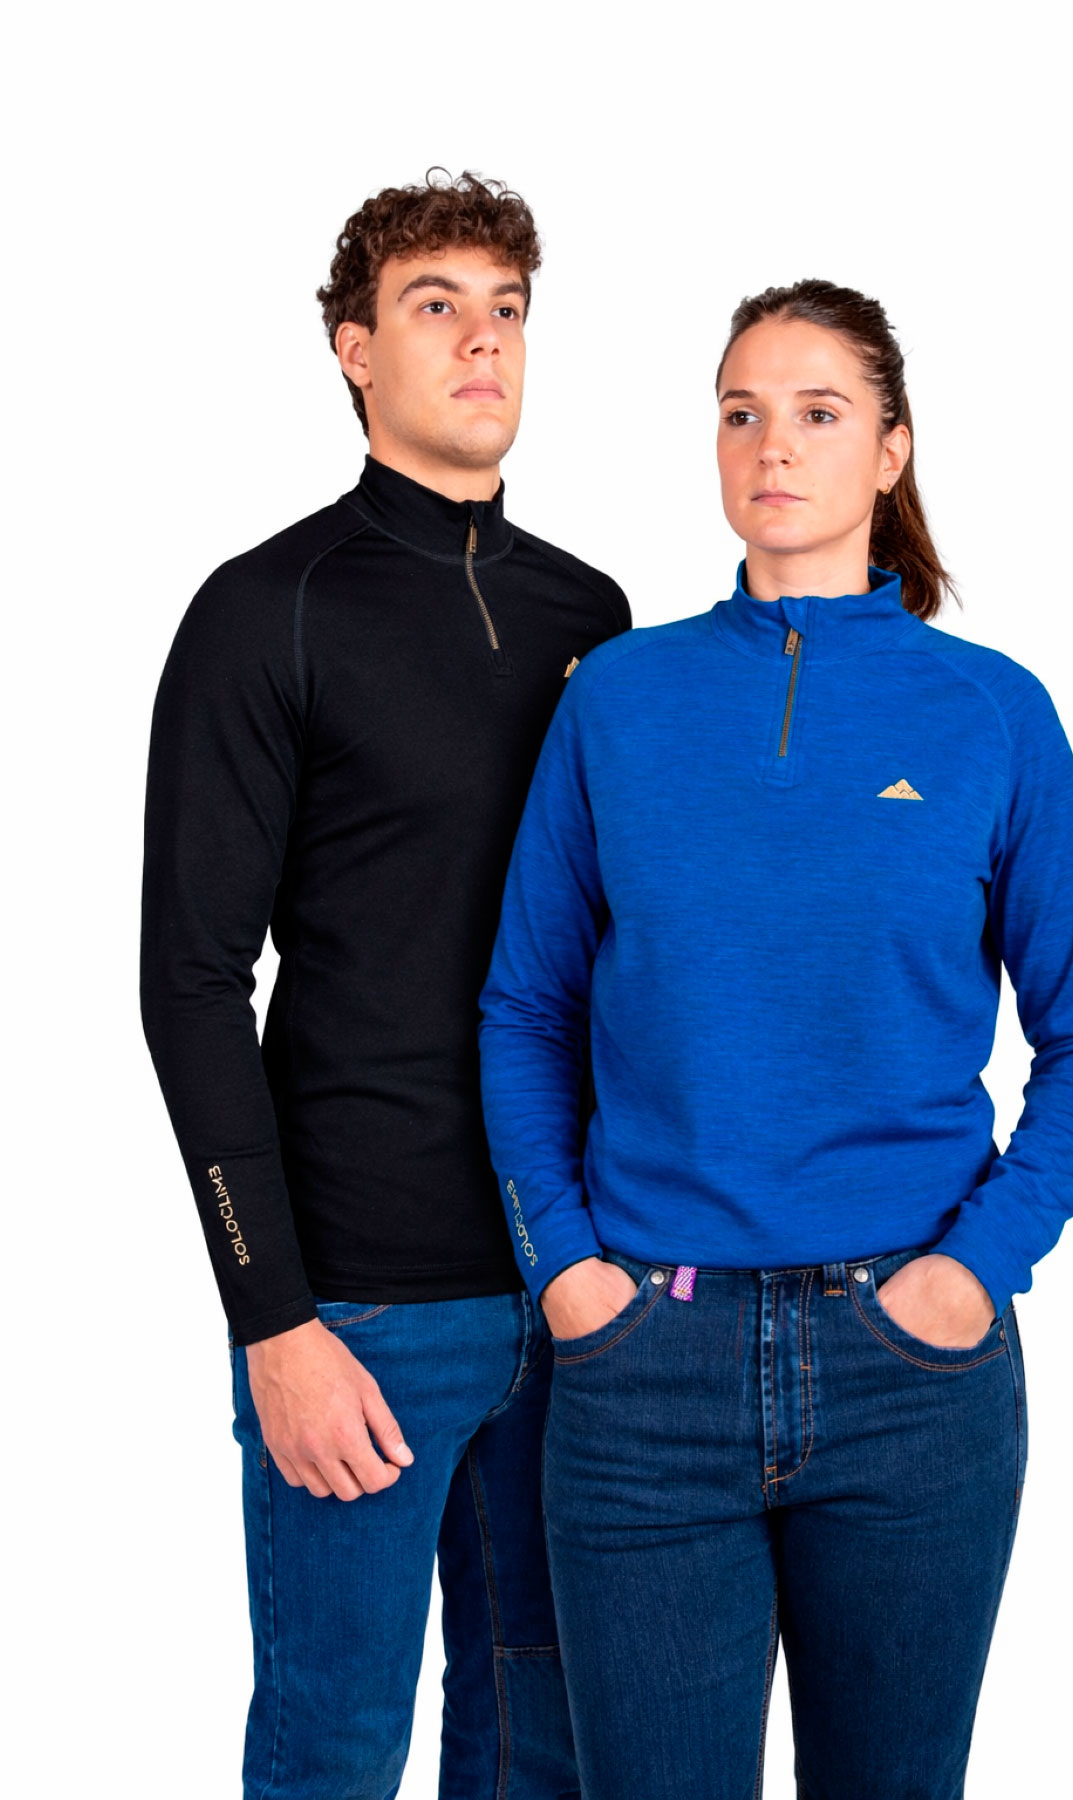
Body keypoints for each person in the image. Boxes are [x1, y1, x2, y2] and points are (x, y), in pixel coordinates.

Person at [477, 278, 1073, 1800]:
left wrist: (974, 1272)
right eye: (742, 412)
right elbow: (525, 1008)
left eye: (819, 413)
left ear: (892, 450)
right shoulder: (618, 700)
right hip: (643, 1370)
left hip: (912, 1376)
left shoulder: (992, 714)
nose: (772, 445)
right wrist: (566, 1268)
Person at [140, 171, 629, 1800]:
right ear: (354, 350)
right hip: (358, 1309)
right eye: (436, 307)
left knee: (543, 1753)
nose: (483, 341)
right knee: (334, 1753)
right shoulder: (265, 611)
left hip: (571, 1286)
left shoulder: (592, 618)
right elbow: (191, 981)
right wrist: (272, 1317)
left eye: (507, 310)